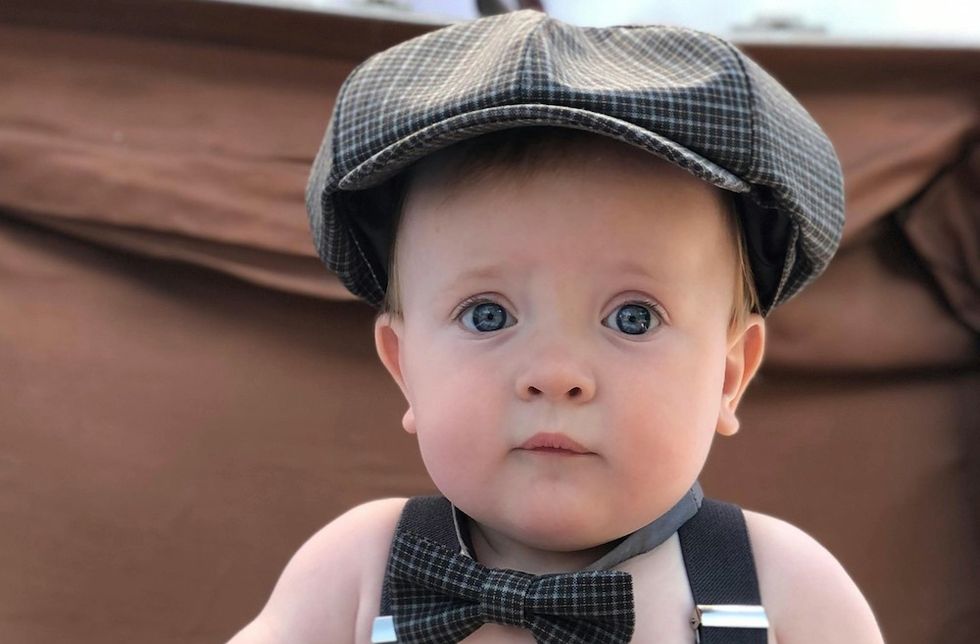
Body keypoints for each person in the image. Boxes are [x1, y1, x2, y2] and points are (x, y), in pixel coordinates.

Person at [229, 9, 884, 643]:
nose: (554, 374)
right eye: (488, 315)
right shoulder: (358, 570)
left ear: (729, 373)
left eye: (633, 318)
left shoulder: (781, 587)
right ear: (405, 366)